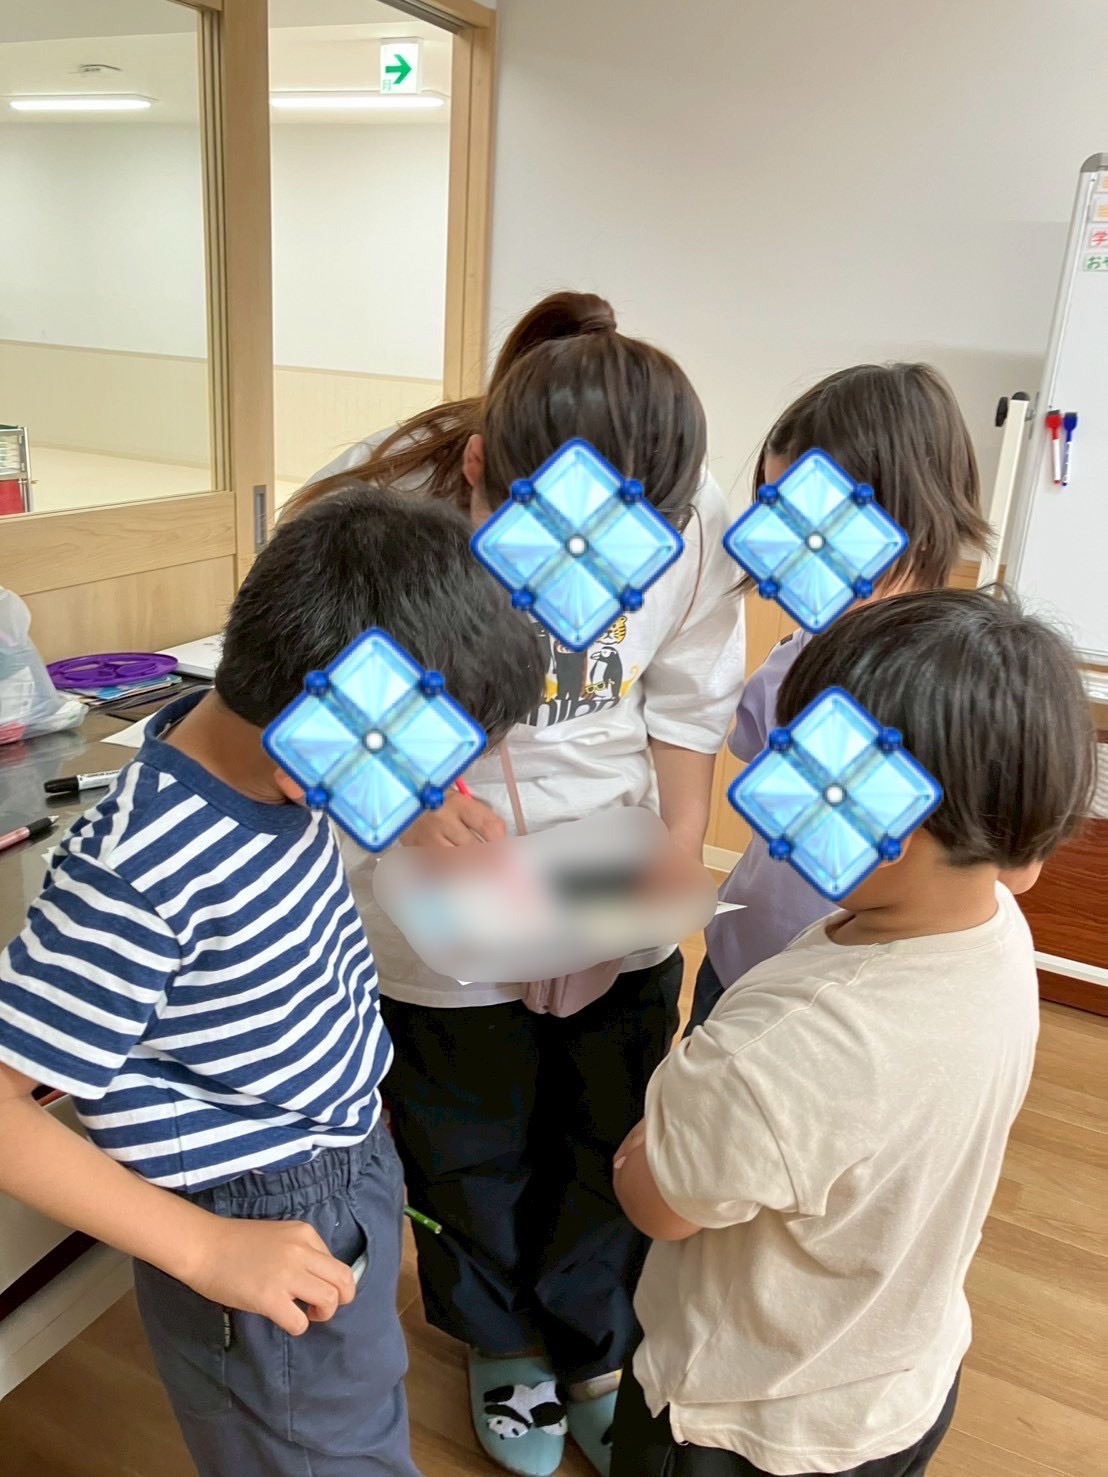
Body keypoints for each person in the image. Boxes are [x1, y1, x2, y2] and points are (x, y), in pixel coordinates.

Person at [0, 486, 546, 1477]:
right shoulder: (140, 870)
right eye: (418, 768)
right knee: (317, 1450)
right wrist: (204, 1249)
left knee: (355, 1408)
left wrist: (413, 811)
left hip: (340, 1151)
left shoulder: (262, 744)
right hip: (250, 1207)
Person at [291, 292, 745, 1477]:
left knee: (608, 1117)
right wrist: (407, 795)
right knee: (468, 1135)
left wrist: (673, 849)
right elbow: (292, 688)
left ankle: (594, 1341)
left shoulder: (692, 513)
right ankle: (500, 1343)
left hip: (605, 851)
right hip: (434, 871)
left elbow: (689, 697)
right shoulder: (378, 508)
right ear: (480, 468)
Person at [610, 587, 1097, 1477]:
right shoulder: (998, 931)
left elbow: (657, 1203)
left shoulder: (784, 1050)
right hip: (901, 1385)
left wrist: (653, 1133)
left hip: (742, 1419)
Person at [689, 363, 991, 1032]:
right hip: (739, 960)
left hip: (844, 1001)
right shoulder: (801, 643)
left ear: (909, 518)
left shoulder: (956, 683)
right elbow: (749, 744)